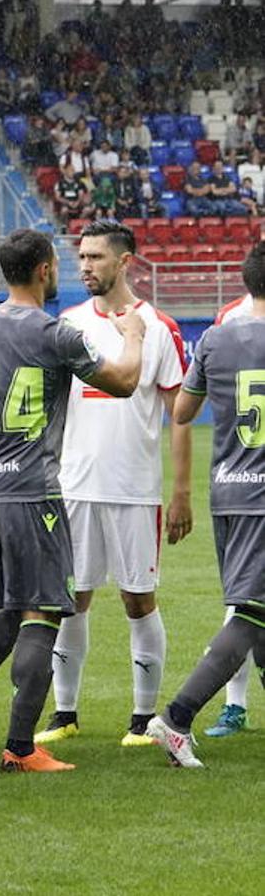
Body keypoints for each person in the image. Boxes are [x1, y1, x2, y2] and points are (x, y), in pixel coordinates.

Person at [0, 229, 144, 773]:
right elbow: (122, 382)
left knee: (11, 606)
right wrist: (134, 334)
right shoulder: (59, 333)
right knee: (46, 608)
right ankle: (21, 747)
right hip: (34, 488)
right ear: (46, 270)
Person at [35, 221, 191, 748]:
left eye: (97, 257)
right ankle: (64, 712)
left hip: (133, 488)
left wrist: (182, 493)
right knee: (70, 598)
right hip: (73, 486)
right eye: (81, 256)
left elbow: (179, 415)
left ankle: (144, 716)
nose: (85, 266)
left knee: (137, 599)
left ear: (125, 262)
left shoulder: (157, 326)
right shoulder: (67, 324)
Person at [145, 242, 265, 768]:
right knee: (251, 613)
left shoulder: (216, 338)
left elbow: (185, 409)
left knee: (258, 609)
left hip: (230, 490)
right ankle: (175, 717)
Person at [201, 288, 261, 738]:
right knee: (246, 605)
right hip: (253, 485)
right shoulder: (228, 318)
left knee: (249, 602)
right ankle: (232, 706)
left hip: (232, 485)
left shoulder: (222, 325)